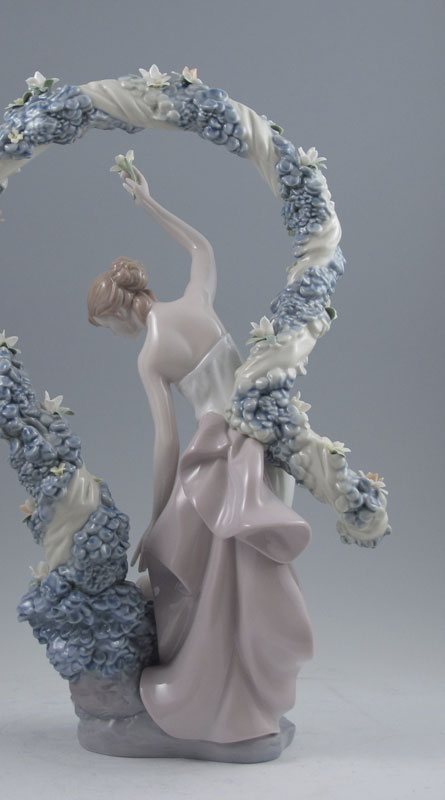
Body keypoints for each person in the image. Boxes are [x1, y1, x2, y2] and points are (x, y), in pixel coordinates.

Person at [87, 166, 313, 745]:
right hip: (266, 448)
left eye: (106, 326)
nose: (112, 334)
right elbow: (202, 247)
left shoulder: (151, 354)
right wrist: (150, 203)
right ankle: (246, 692)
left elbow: (167, 442)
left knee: (184, 565)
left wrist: (157, 517)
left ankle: (211, 696)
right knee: (241, 575)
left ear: (118, 313)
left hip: (220, 464)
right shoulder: (197, 301)